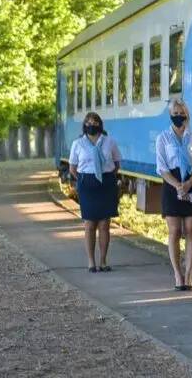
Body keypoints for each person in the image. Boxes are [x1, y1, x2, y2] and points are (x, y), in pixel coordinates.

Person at [155, 99, 192, 291]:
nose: (178, 115)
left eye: (181, 111)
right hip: (171, 184)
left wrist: (188, 184)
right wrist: (178, 186)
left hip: (191, 182)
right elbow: (162, 168)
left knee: (191, 230)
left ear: (186, 114)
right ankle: (177, 274)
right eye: (175, 112)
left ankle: (189, 273)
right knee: (174, 231)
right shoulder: (163, 138)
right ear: (170, 115)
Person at [69, 112, 122, 273]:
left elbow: (116, 162)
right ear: (84, 125)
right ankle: (91, 261)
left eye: (95, 122)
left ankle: (103, 261)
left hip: (106, 183)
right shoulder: (78, 144)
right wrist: (84, 179)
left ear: (100, 124)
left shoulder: (109, 142)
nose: (91, 124)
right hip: (87, 184)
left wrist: (107, 175)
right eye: (88, 122)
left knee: (105, 224)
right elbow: (73, 167)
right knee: (89, 224)